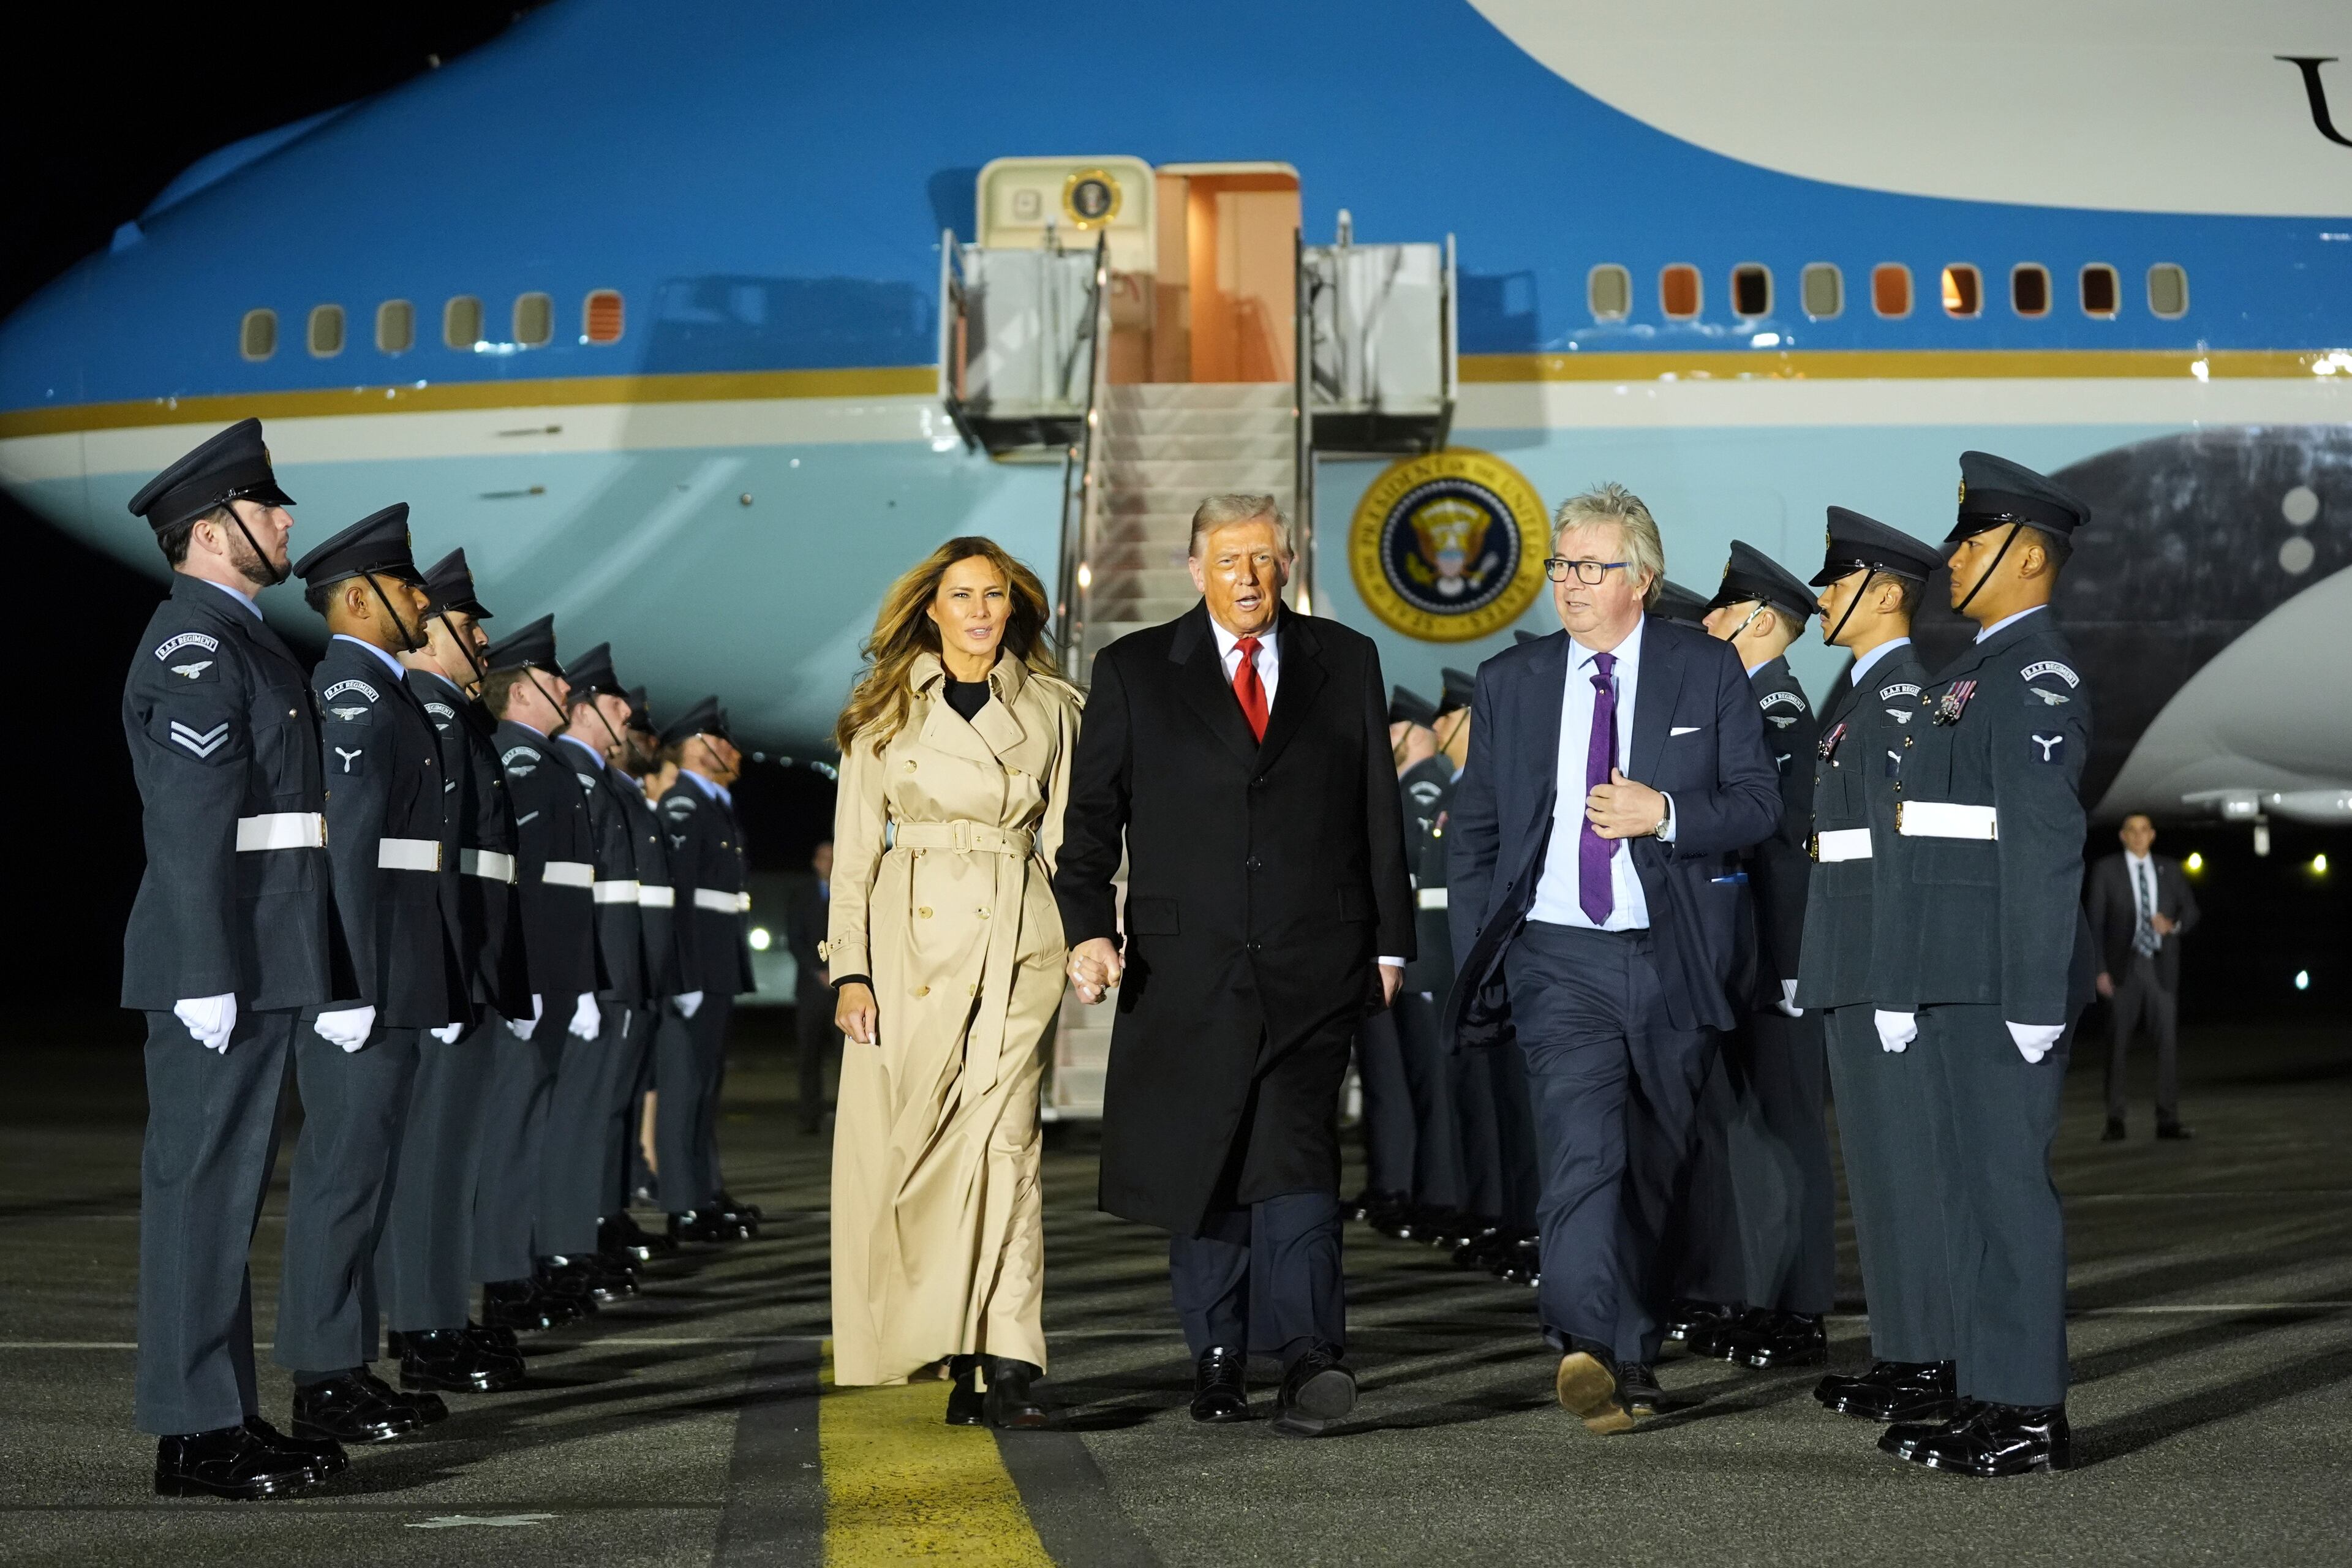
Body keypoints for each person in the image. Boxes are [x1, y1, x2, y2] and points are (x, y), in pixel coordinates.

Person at [1057, 494, 1414, 1439]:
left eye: (1263, 558)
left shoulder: (1347, 660)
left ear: (1287, 561)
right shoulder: (1134, 670)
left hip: (1315, 956)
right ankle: (1217, 1355)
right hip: (1186, 967)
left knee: (1297, 1156)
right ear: (1194, 568)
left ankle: (1310, 1357)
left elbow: (1380, 810)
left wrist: (1389, 941)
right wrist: (1087, 927)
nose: (1248, 578)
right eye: (1229, 560)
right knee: (1204, 1160)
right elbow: (1090, 823)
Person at [1446, 483, 1780, 1434]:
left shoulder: (1704, 669)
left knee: (1657, 1165)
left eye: (1591, 568)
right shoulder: (1513, 683)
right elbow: (1474, 833)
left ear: (1643, 578)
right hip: (1558, 957)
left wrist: (1665, 814)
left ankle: (1630, 1349)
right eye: (1560, 567)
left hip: (1673, 952)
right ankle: (1587, 1345)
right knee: (1582, 1150)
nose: (1570, 585)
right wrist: (1492, 949)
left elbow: (1758, 806)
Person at [122, 420, 349, 1499]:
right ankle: (194, 1433)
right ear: (212, 530)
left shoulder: (247, 640)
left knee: (225, 1196)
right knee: (198, 1194)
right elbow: (191, 818)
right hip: (218, 965)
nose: (288, 518)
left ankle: (225, 1415)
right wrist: (207, 969)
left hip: (261, 958)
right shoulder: (195, 646)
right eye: (268, 507)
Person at [823, 537, 1082, 1428]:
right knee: (918, 1147)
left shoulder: (1055, 708)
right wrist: (850, 972)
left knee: (1007, 1145)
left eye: (995, 595)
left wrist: (1089, 937)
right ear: (929, 607)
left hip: (1017, 936)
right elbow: (855, 860)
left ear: (1015, 608)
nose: (979, 610)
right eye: (961, 595)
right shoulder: (882, 711)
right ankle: (951, 1348)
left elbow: (1073, 848)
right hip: (906, 949)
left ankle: (1010, 1358)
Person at [1874, 451, 2097, 1478]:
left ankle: (2032, 1412)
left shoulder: (2036, 674)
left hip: (2003, 978)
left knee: (2009, 1194)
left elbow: (2045, 841)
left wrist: (2038, 989)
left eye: (1973, 538)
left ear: (2030, 554)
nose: (1954, 555)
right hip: (1953, 968)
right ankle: (1986, 1390)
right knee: (1967, 1192)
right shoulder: (1970, 671)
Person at [279, 505, 470, 1446]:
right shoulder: (354, 694)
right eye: (404, 586)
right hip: (366, 982)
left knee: (367, 1180)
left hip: (397, 974)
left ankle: (346, 1366)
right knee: (341, 1181)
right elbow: (344, 848)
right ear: (358, 598)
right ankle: (324, 1376)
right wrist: (344, 986)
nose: (421, 599)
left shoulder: (385, 692)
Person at [1793, 506, 1954, 1428]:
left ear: (1885, 593)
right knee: (1879, 1176)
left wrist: (1897, 982)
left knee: (1904, 1171)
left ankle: (1930, 1354)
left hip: (1877, 971)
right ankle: (1903, 1349)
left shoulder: (1897, 701)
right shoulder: (1862, 694)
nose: (1822, 595)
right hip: (1848, 965)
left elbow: (1903, 858)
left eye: (1838, 581)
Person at [379, 546, 532, 1395]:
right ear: (430, 633)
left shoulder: (455, 719)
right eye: (467, 625)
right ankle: (422, 1325)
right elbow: (425, 867)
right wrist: (446, 974)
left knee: (449, 1165)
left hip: (468, 971)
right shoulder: (430, 719)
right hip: (444, 976)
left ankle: (438, 1316)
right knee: (430, 1165)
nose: (479, 639)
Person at [1681, 541, 1835, 1370]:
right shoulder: (1742, 709)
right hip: (1741, 958)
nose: (1707, 620)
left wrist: (1787, 965)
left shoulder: (1778, 718)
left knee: (1789, 1135)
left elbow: (1785, 856)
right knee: (1749, 1134)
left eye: (1722, 607)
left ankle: (1801, 1308)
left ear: (1761, 621)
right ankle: (1762, 1296)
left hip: (1777, 959)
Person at [475, 616, 602, 1328]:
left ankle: (516, 1266)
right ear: (522, 690)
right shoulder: (519, 761)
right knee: (512, 1130)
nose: (566, 690)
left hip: (552, 978)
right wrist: (517, 977)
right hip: (530, 979)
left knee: (531, 1127)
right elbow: (514, 884)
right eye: (556, 680)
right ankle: (502, 1274)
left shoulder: (542, 759)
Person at [541, 642, 654, 1301]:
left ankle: (572, 1241)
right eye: (616, 705)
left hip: (613, 972)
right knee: (574, 1118)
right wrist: (579, 979)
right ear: (586, 711)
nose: (628, 716)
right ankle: (558, 1246)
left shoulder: (597, 778)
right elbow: (568, 892)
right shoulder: (576, 775)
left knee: (592, 1116)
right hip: (594, 974)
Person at [654, 696, 761, 1242]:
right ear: (699, 749)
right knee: (683, 1091)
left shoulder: (712, 805)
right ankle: (683, 1203)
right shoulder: (683, 807)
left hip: (716, 968)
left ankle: (704, 1191)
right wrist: (684, 977)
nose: (733, 751)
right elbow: (675, 901)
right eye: (722, 741)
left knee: (703, 1089)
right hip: (694, 973)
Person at [1348, 688, 1442, 1238]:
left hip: (1409, 952)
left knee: (1403, 1080)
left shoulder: (1420, 787)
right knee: (1392, 1079)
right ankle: (1396, 1184)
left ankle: (1402, 1187)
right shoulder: (1406, 787)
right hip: (1398, 948)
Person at [2086, 815, 2200, 1140]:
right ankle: (2115, 1120)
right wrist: (2099, 969)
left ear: (2152, 835)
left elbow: (2191, 911)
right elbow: (2095, 923)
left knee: (2167, 1044)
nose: (2138, 836)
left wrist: (2173, 925)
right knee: (2117, 1044)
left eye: (2144, 830)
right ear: (2123, 836)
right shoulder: (2107, 870)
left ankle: (2168, 1119)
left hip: (2160, 966)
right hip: (2123, 967)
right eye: (2131, 831)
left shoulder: (2170, 869)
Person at [785, 840, 843, 1134]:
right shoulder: (802, 895)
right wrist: (818, 970)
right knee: (809, 1057)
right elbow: (794, 938)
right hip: (810, 989)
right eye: (824, 858)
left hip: (844, 988)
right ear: (815, 862)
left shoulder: (850, 894)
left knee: (847, 1058)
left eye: (834, 858)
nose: (829, 863)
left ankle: (849, 1119)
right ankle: (810, 1116)